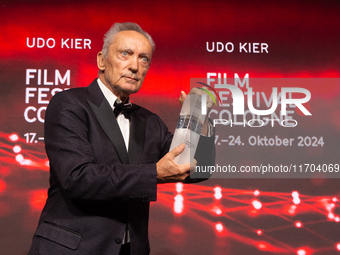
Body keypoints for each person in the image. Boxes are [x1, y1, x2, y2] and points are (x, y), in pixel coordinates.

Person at [28, 22, 214, 255]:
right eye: (125, 54)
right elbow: (78, 179)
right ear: (102, 60)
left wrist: (199, 120)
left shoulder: (150, 121)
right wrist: (153, 173)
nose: (135, 66)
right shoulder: (69, 104)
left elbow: (197, 168)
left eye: (144, 58)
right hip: (72, 249)